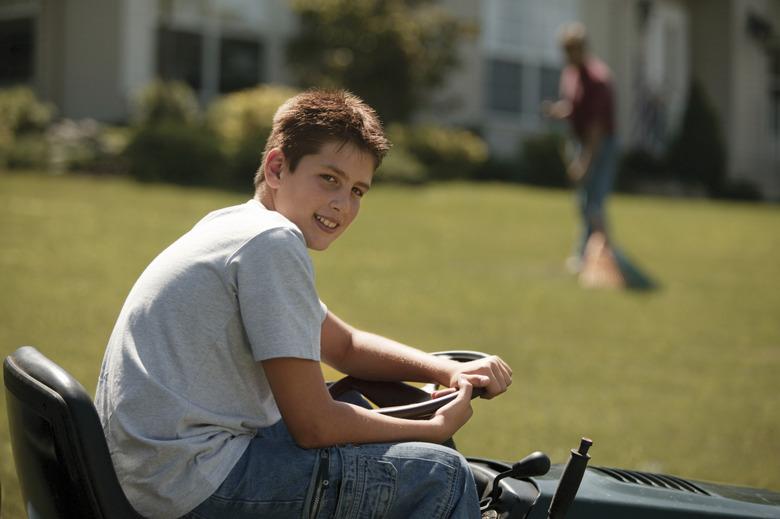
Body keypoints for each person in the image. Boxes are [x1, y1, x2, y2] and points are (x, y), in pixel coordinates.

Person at [95, 89, 512, 519]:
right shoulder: (272, 243)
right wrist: (433, 429)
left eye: (357, 191)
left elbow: (343, 346)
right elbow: (313, 425)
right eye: (329, 179)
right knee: (441, 475)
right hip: (188, 483)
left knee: (359, 419)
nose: (342, 204)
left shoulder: (237, 226)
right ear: (277, 167)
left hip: (153, 468)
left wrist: (446, 370)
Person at [542, 22, 619, 274]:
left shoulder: (598, 79)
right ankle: (587, 254)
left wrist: (584, 162)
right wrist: (558, 112)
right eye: (564, 51)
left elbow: (596, 128)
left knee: (594, 201)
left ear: (583, 48)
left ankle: (607, 254)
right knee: (583, 202)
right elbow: (574, 108)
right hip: (581, 141)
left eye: (571, 50)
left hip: (601, 144)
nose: (566, 56)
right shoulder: (571, 74)